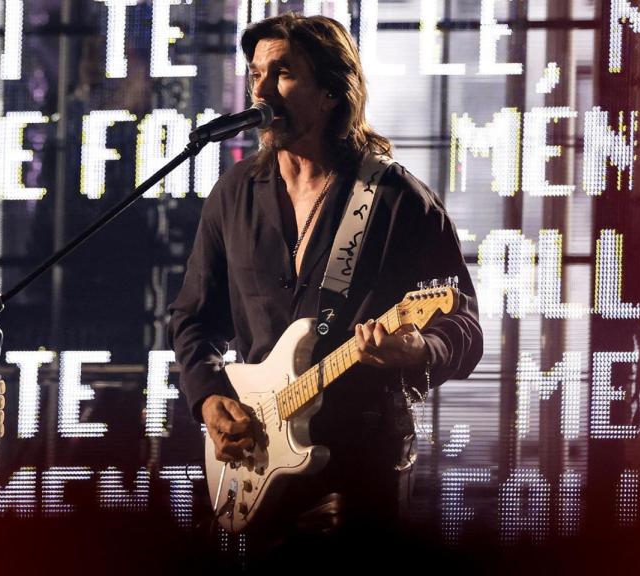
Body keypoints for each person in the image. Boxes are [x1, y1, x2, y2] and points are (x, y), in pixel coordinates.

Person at [167, 12, 482, 555]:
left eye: (283, 73)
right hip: (256, 463)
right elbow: (192, 319)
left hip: (355, 470)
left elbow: (465, 326)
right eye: (255, 73)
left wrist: (418, 349)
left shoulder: (395, 201)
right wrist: (211, 398)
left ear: (333, 90)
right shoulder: (235, 193)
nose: (261, 89)